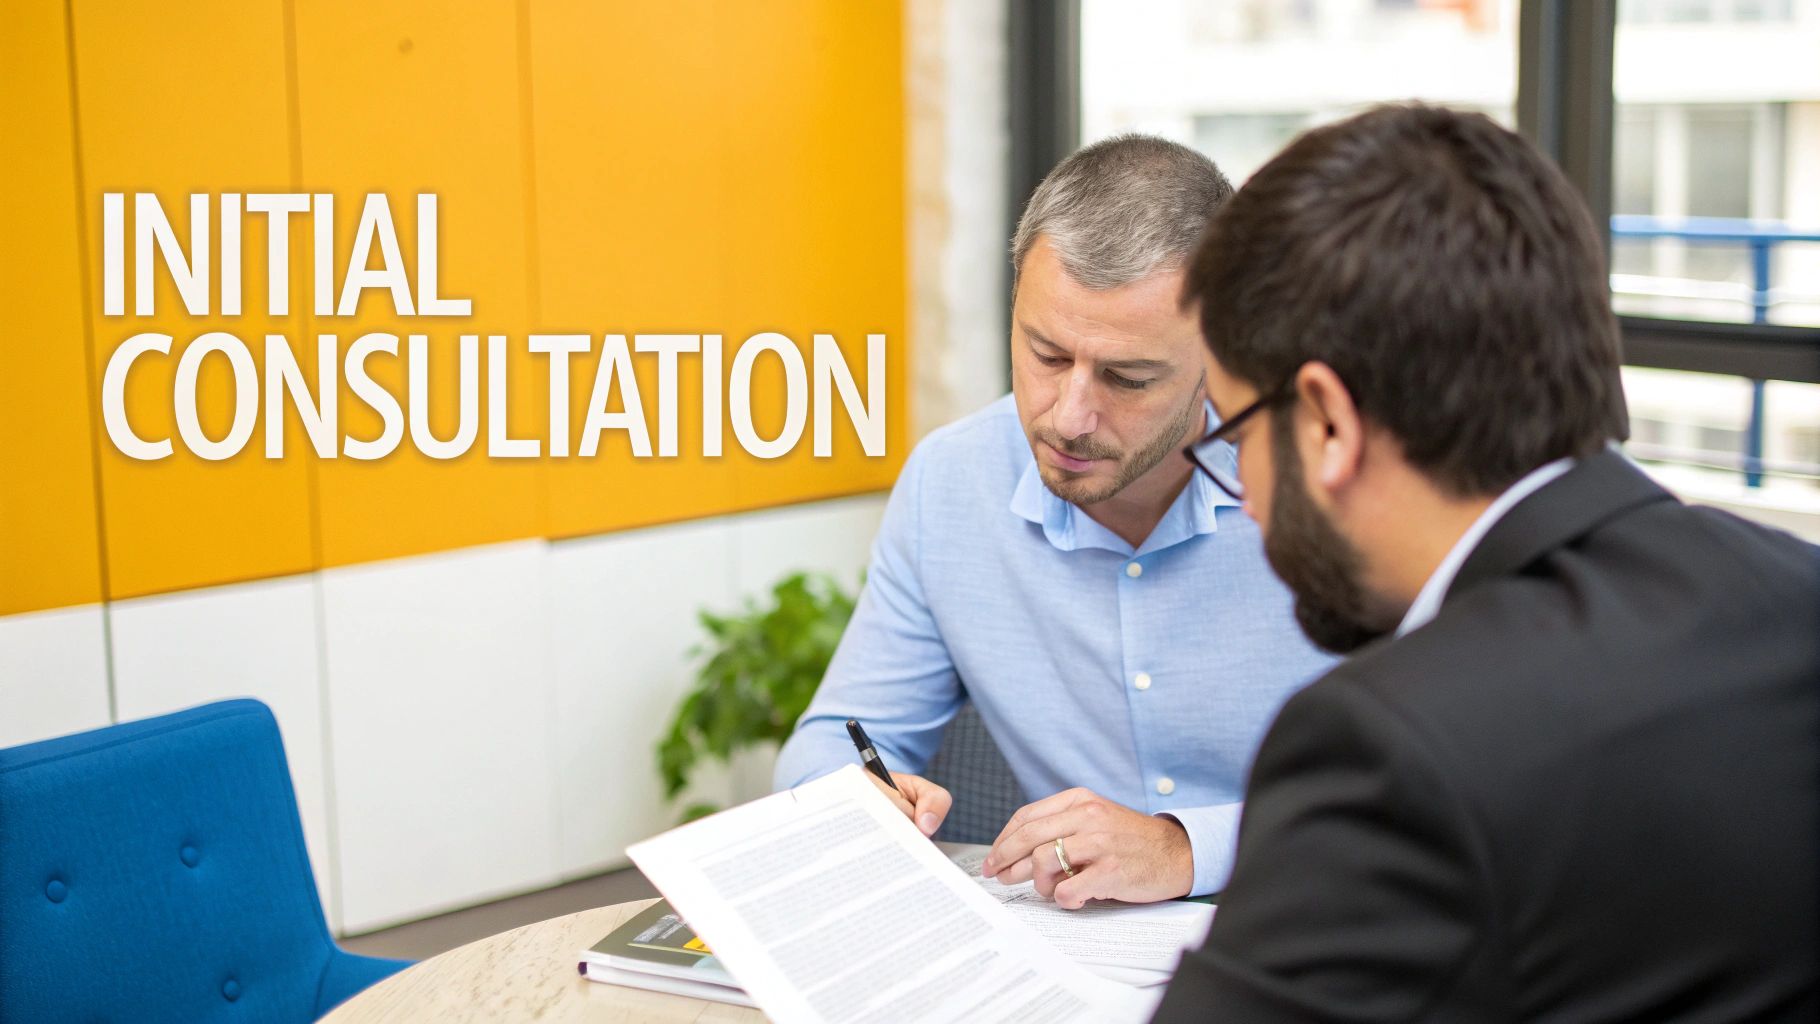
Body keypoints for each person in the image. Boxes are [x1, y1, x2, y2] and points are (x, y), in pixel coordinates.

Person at [1149, 104, 1820, 1021]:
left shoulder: (1390, 752)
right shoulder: (1794, 596)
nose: (1246, 493)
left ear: (1329, 423)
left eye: (1231, 432)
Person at [773, 135, 1334, 904]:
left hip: (1316, 931)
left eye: (1127, 378)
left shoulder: (1333, 487)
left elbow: (1435, 789)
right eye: (1045, 354)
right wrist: (859, 796)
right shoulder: (952, 482)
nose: (1070, 417)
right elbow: (836, 736)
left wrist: (1185, 849)